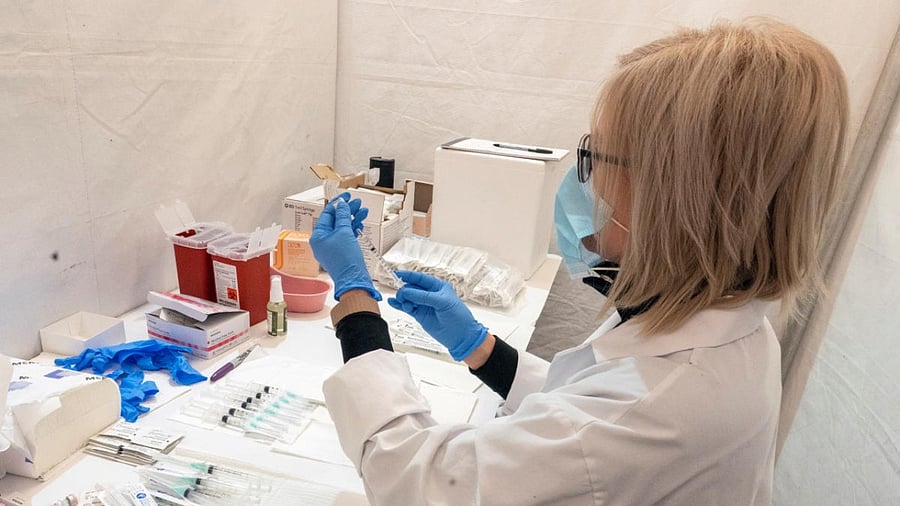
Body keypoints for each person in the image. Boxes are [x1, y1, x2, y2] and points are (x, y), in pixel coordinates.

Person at [309, 18, 848, 505]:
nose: (582, 180)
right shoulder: (725, 328)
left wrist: (356, 301)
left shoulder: (658, 409)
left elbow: (417, 481)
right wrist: (481, 348)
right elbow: (580, 401)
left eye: (597, 157)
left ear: (675, 197)